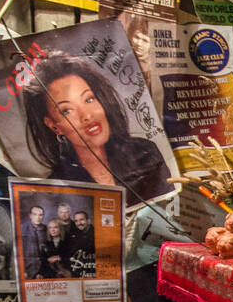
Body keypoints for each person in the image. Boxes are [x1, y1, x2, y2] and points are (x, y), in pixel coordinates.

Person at [23, 53, 171, 204]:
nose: (86, 115)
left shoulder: (145, 153)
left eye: (89, 99)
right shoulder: (54, 189)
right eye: (67, 110)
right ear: (54, 126)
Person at [21, 203, 49, 280]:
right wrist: (22, 270)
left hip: (42, 270)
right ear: (30, 216)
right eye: (35, 214)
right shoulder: (21, 229)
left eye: (41, 215)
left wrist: (42, 272)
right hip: (26, 270)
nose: (38, 217)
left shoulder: (46, 229)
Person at [67, 210, 96, 277]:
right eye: (76, 221)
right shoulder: (74, 234)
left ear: (88, 221)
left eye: (81, 220)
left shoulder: (96, 233)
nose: (79, 223)